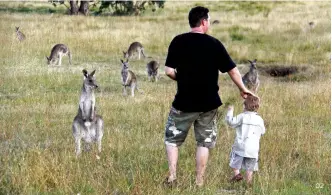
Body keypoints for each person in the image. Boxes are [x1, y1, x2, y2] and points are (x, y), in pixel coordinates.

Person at [164, 6, 255, 187]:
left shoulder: (178, 41)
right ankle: (199, 182)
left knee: (172, 139)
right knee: (203, 143)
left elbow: (168, 71)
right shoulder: (214, 44)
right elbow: (232, 70)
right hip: (208, 104)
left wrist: (181, 78)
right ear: (204, 22)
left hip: (183, 102)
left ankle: (173, 176)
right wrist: (243, 89)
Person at [225, 95, 265, 185]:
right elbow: (263, 131)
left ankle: (237, 174)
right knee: (250, 167)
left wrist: (230, 110)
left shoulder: (242, 116)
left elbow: (230, 122)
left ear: (244, 106)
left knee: (235, 160)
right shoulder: (259, 119)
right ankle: (248, 183)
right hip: (253, 148)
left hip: (241, 146)